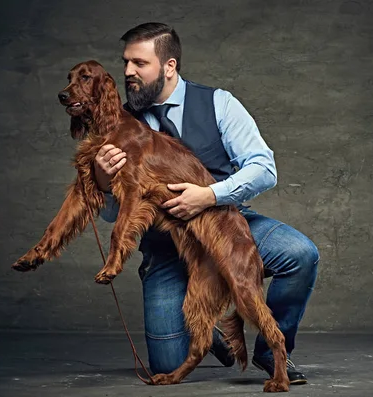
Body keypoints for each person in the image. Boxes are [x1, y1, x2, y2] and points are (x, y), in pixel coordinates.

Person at [94, 22, 319, 385]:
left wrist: (210, 195)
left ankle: (269, 350)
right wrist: (104, 183)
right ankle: (210, 327)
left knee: (300, 253)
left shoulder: (218, 102)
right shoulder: (120, 123)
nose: (128, 73)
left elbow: (264, 168)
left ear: (169, 66)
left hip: (226, 226)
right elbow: (110, 216)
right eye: (125, 63)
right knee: (166, 362)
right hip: (166, 247)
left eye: (139, 63)